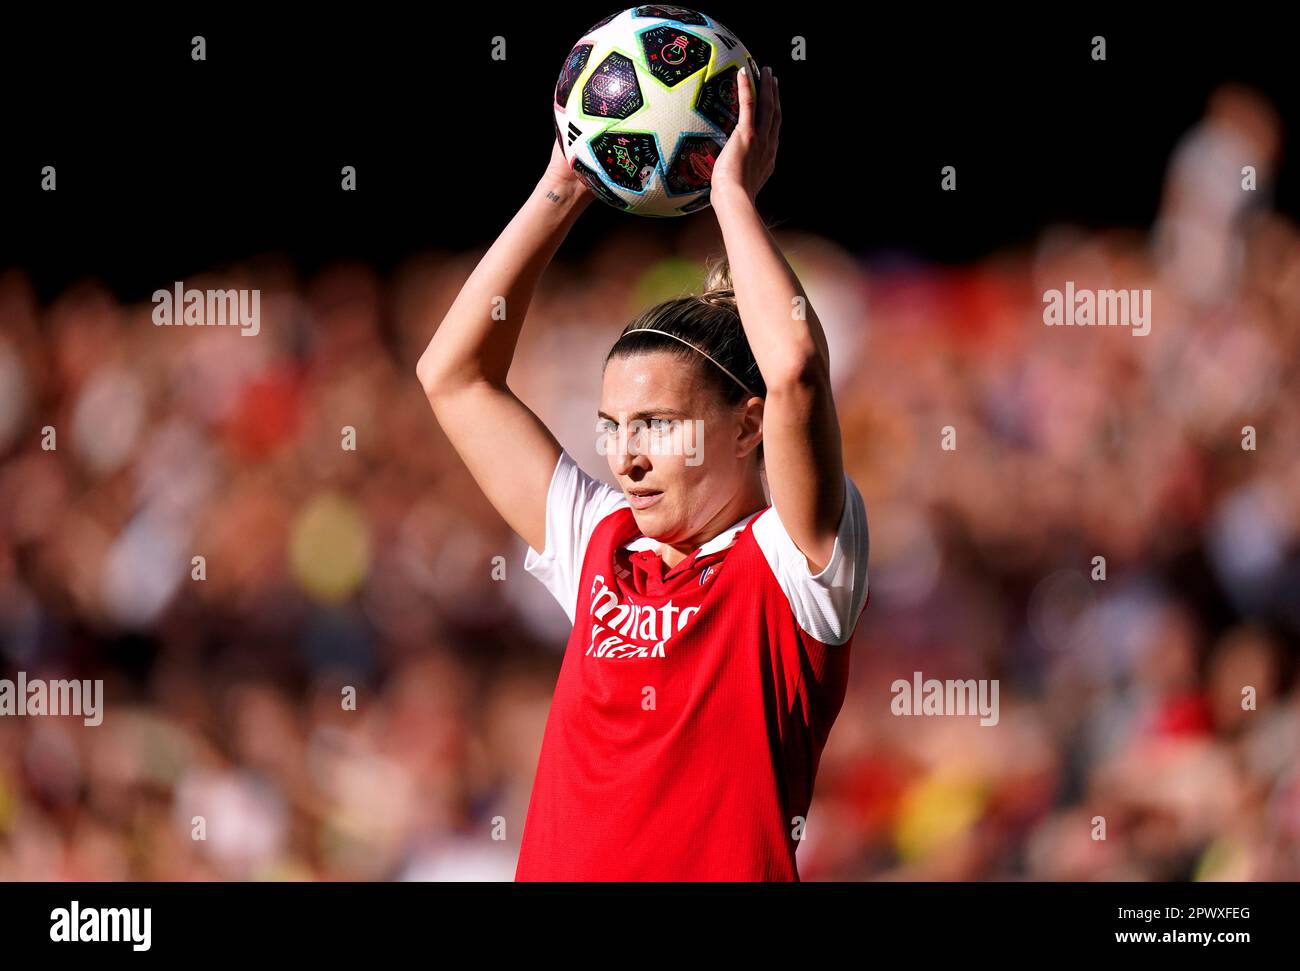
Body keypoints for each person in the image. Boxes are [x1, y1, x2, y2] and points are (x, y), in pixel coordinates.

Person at [417, 65, 869, 880]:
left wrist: (732, 193)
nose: (623, 456)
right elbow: (453, 376)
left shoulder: (795, 566)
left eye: (657, 425)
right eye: (612, 426)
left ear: (748, 424)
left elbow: (795, 364)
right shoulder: (601, 538)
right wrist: (567, 181)